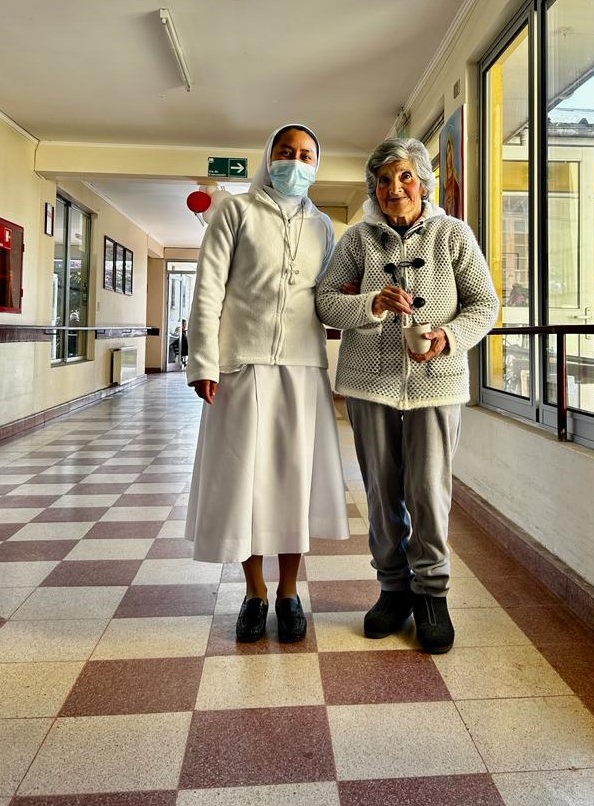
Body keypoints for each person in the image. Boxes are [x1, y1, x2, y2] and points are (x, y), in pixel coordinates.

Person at [316, 138, 499, 654]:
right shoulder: (357, 240)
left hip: (435, 383)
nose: (394, 188)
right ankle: (392, 588)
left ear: (423, 181)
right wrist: (371, 305)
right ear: (373, 188)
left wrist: (448, 337)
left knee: (426, 489)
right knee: (381, 489)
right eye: (383, 180)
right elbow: (327, 303)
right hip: (369, 381)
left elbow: (484, 305)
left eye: (404, 177)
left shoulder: (452, 235)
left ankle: (432, 594)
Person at [185, 123, 350, 644]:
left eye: (305, 156)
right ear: (269, 157)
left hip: (302, 369)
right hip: (242, 366)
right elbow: (208, 287)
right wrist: (203, 362)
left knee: (293, 480)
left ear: (315, 165)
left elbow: (326, 300)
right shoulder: (235, 210)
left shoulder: (323, 226)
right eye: (286, 153)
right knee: (246, 481)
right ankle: (255, 592)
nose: (294, 163)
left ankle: (289, 592)